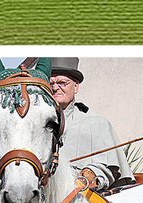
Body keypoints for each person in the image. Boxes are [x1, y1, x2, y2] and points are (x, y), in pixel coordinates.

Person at [45, 57, 132, 190]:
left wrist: (85, 179)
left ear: (76, 87)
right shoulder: (32, 123)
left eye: (62, 82)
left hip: (82, 197)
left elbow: (107, 168)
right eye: (51, 83)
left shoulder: (96, 123)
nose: (55, 88)